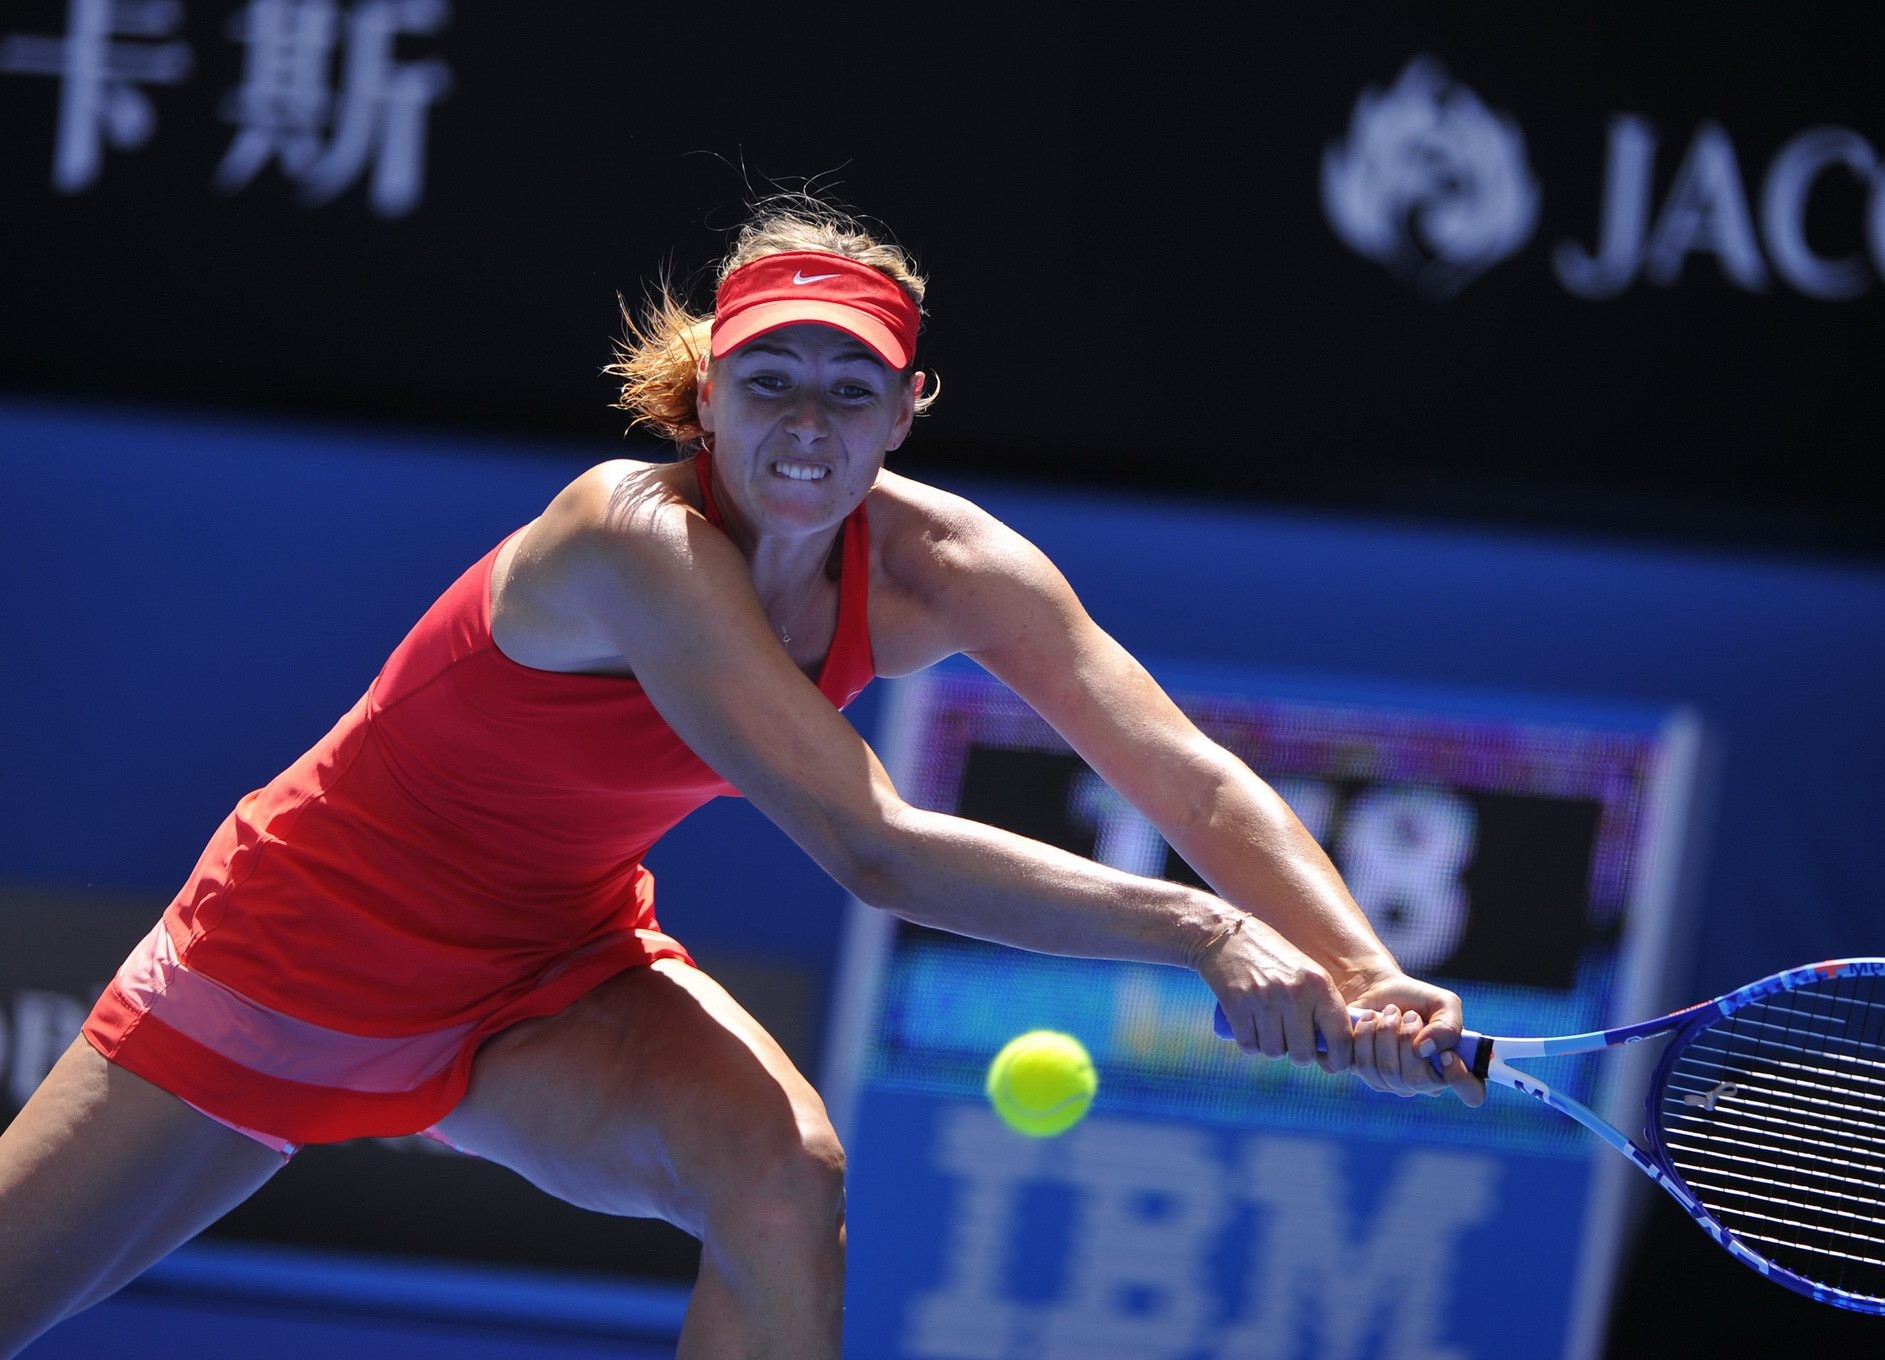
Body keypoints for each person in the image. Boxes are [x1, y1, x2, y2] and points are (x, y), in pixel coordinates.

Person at [0, 198, 1482, 1359]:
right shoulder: (628, 537)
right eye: (770, 380)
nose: (809, 421)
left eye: (854, 388)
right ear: (702, 396)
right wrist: (1207, 934)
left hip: (552, 972)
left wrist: (1363, 971)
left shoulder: (944, 565)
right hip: (293, 950)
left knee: (785, 1180)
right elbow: (873, 845)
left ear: (910, 411)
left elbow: (1195, 783)